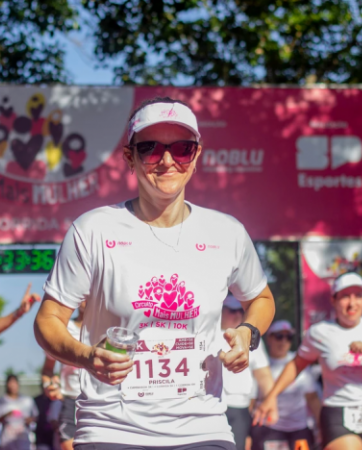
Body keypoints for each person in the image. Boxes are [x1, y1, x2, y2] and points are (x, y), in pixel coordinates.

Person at [34, 97, 275, 450]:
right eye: (149, 149)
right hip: (112, 430)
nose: (166, 161)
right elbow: (48, 320)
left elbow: (261, 298)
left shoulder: (227, 233)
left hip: (203, 427)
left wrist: (247, 332)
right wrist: (87, 357)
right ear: (129, 158)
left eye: (181, 149)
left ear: (196, 157)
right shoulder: (93, 230)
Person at [257, 272, 362, 450]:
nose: (352, 303)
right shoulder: (320, 332)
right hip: (337, 412)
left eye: (358, 296)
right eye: (345, 296)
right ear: (333, 300)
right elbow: (296, 365)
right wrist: (271, 396)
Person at [251, 320, 320, 450]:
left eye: (288, 337)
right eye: (279, 336)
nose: (283, 341)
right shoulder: (261, 364)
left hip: (299, 429)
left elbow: (312, 398)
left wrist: (322, 427)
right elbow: (252, 400)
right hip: (269, 427)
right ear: (269, 338)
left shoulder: (298, 362)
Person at [220, 295, 273, 450]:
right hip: (209, 406)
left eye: (241, 311)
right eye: (232, 311)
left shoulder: (250, 336)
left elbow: (263, 374)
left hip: (239, 408)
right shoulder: (207, 334)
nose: (238, 315)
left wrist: (271, 401)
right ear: (221, 311)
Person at [41, 302, 86, 450]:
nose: (87, 300)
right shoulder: (63, 329)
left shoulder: (107, 329)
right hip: (69, 401)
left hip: (99, 401)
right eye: (83, 296)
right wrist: (49, 386)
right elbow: (48, 370)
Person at [0, 375, 38, 450]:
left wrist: (30, 420)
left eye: (14, 383)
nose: (13, 386)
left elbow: (35, 416)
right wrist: (7, 415)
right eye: (10, 383)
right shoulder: (0, 402)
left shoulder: (27, 400)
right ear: (7, 385)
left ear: (18, 384)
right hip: (7, 439)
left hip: (23, 439)